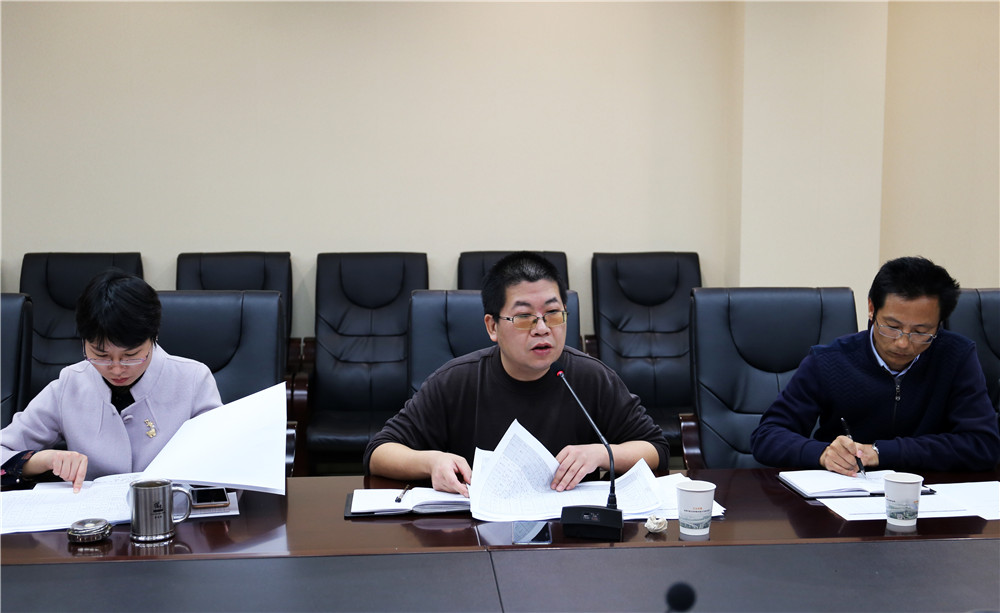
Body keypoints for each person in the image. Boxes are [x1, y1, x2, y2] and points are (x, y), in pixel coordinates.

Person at [365, 251, 669, 496]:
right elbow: (379, 452)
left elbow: (655, 447)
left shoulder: (591, 377)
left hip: (570, 536)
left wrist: (603, 454)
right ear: (492, 326)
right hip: (478, 535)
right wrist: (431, 461)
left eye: (553, 314)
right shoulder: (457, 381)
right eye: (524, 317)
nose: (542, 328)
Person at [751, 256, 1000, 474]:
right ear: (871, 308)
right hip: (842, 491)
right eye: (892, 327)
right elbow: (767, 436)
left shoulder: (956, 356)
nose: (903, 343)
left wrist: (882, 452)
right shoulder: (829, 360)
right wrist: (823, 453)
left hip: (928, 495)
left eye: (920, 332)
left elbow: (984, 445)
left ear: (939, 323)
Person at [1, 270, 222, 491]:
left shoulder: (193, 380)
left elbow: (224, 460)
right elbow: (4, 450)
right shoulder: (70, 384)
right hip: (92, 511)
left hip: (172, 508)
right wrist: (42, 460)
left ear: (153, 337)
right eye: (101, 355)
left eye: (131, 355)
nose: (117, 369)